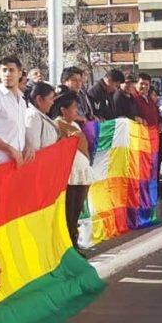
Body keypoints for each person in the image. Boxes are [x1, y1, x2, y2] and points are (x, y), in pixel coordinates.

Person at [54, 90, 94, 253]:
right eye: (73, 108)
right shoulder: (57, 125)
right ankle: (69, 243)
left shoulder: (75, 124)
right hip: (70, 175)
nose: (76, 111)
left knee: (77, 210)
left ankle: (74, 240)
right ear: (63, 110)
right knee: (69, 211)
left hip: (81, 173)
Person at [0, 56, 35, 165]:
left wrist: (28, 145)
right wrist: (9, 149)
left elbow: (20, 129)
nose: (7, 74)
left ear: (19, 74)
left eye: (11, 70)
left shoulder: (22, 100)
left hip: (18, 165)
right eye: (4, 70)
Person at [26, 82, 60, 151]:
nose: (52, 103)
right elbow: (34, 148)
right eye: (50, 99)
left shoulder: (40, 115)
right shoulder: (32, 117)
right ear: (39, 99)